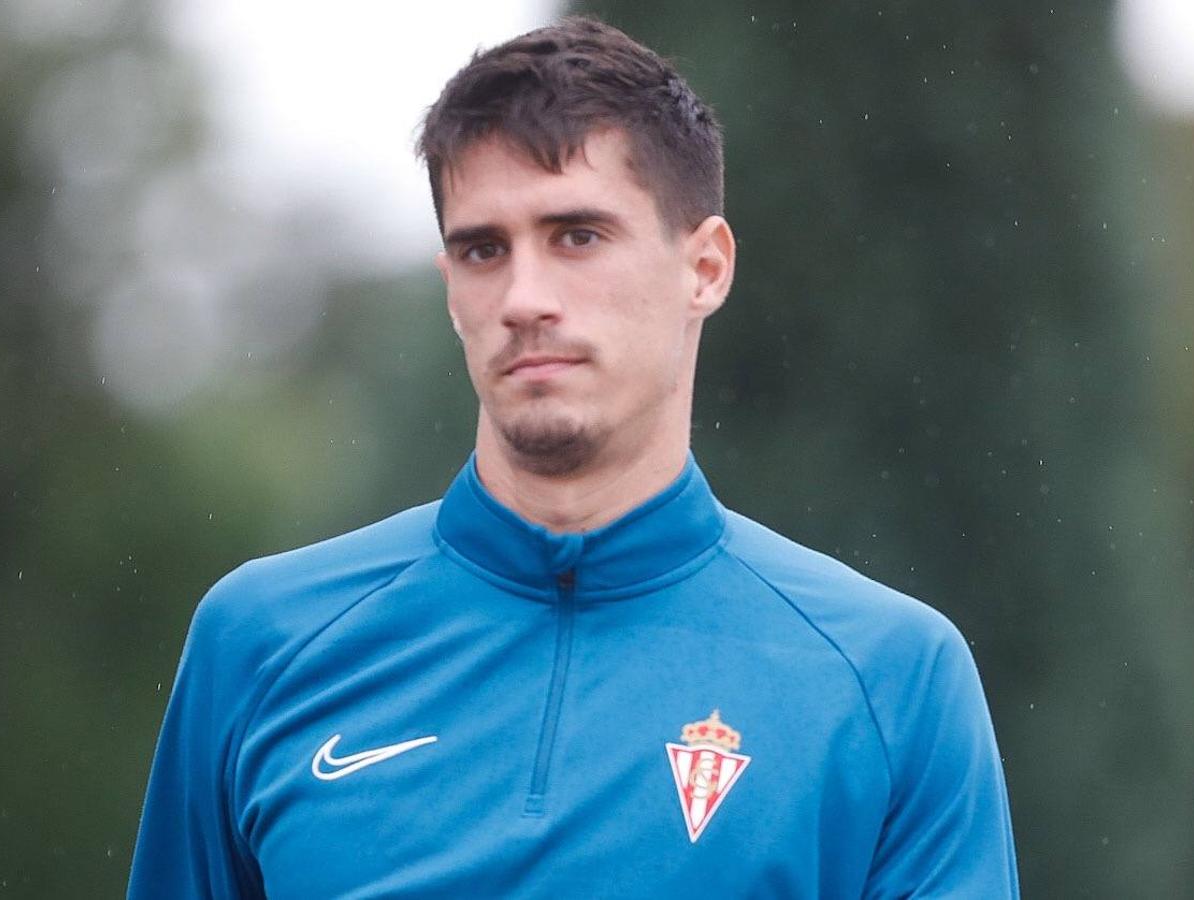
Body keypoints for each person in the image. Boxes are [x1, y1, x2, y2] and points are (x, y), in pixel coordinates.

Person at [128, 16, 1018, 899]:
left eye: (577, 235)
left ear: (705, 268)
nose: (524, 298)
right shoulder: (262, 642)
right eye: (484, 249)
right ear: (451, 289)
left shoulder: (888, 678)